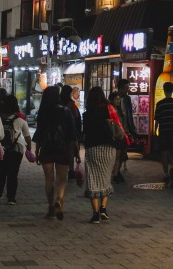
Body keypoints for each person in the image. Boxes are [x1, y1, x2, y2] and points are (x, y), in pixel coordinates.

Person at [82, 86, 127, 224]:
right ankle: (103, 208)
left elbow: (85, 133)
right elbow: (117, 126)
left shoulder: (86, 115)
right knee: (106, 178)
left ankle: (95, 214)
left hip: (92, 149)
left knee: (93, 180)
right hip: (109, 149)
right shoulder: (109, 110)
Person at [34, 86, 78, 220]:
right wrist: (76, 152)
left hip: (46, 148)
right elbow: (73, 134)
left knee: (49, 179)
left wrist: (37, 150)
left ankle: (50, 207)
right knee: (61, 179)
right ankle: (59, 199)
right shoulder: (66, 111)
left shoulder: (43, 112)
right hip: (62, 148)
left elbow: (39, 133)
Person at [0, 95, 32, 205]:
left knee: (1, 171)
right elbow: (27, 136)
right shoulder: (20, 120)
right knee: (13, 173)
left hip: (1, 149)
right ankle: (11, 198)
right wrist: (29, 147)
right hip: (16, 149)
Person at [154, 82, 173, 185]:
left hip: (163, 131)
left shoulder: (160, 104)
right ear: (172, 90)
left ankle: (166, 174)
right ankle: (172, 167)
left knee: (164, 152)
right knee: (172, 151)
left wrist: (155, 131)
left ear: (164, 90)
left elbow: (157, 120)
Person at [60, 85, 82, 180]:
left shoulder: (59, 103)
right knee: (71, 150)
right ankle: (71, 170)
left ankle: (62, 169)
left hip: (60, 132)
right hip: (71, 131)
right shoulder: (71, 105)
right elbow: (77, 118)